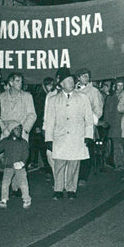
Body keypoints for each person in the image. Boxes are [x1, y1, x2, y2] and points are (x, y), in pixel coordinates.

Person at [43, 68, 94, 200]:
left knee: (74, 164)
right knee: (59, 164)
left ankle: (71, 189)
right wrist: (48, 139)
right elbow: (49, 121)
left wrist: (88, 136)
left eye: (72, 80)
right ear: (61, 84)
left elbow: (88, 119)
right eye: (68, 80)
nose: (71, 82)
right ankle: (58, 189)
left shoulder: (83, 98)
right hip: (59, 137)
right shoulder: (53, 100)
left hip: (77, 136)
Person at [75, 68, 103, 183]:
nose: (86, 78)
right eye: (83, 76)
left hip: (88, 125)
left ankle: (83, 176)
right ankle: (74, 175)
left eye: (87, 76)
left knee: (86, 150)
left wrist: (92, 121)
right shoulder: (73, 90)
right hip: (74, 126)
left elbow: (98, 109)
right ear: (78, 78)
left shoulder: (93, 91)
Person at [0, 123, 31, 209]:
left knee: (23, 183)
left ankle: (26, 199)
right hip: (8, 166)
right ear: (11, 131)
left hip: (20, 166)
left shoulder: (23, 142)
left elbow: (26, 154)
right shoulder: (5, 141)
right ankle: (3, 200)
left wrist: (22, 162)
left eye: (20, 129)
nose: (19, 131)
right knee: (5, 183)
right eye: (16, 129)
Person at [0, 72, 36, 142]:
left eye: (21, 81)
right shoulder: (1, 97)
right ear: (11, 83)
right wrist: (3, 129)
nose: (20, 84)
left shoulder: (27, 96)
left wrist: (24, 130)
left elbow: (32, 115)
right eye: (17, 81)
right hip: (6, 133)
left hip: (21, 134)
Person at [102, 78, 124, 170]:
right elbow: (107, 112)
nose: (119, 87)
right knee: (117, 146)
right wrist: (106, 124)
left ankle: (123, 163)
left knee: (123, 146)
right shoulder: (110, 98)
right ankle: (119, 164)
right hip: (114, 126)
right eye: (117, 85)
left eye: (121, 85)